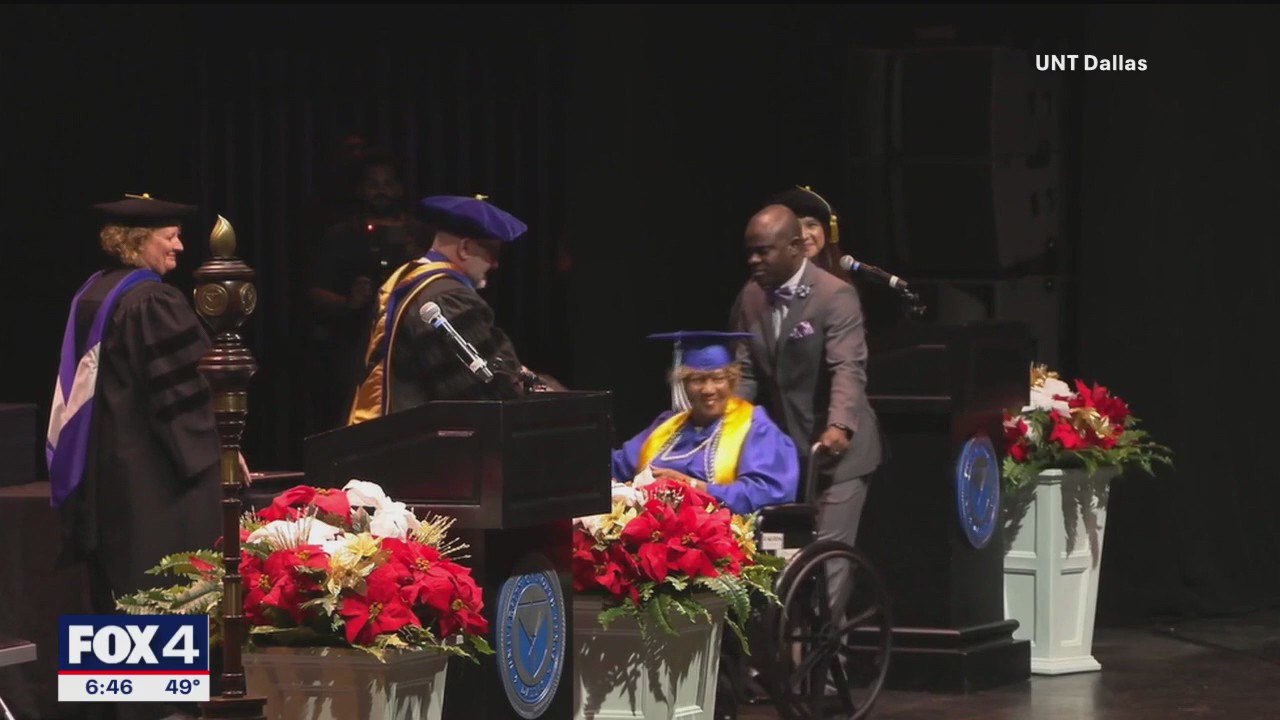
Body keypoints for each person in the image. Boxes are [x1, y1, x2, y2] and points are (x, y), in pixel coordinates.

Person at [47, 193, 246, 720]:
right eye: (170, 236)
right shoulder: (153, 301)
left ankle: (113, 709)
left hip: (109, 472)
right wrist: (221, 444)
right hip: (157, 479)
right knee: (161, 585)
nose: (179, 246)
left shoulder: (95, 291)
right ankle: (163, 712)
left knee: (118, 590)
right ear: (138, 241)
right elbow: (181, 390)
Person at [730, 203, 883, 593]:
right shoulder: (751, 296)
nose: (754, 260)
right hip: (787, 452)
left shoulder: (835, 295)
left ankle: (830, 633)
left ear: (795, 248)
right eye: (750, 252)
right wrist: (727, 426)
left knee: (825, 564)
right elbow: (746, 371)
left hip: (838, 452)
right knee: (782, 560)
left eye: (763, 251)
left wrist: (839, 425)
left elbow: (847, 367)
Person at [347, 194, 560, 424]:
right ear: (465, 248)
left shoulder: (408, 277)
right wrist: (552, 400)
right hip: (415, 439)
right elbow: (485, 390)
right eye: (493, 253)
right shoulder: (447, 297)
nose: (495, 264)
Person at [304, 148, 434, 433]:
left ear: (399, 189)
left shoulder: (420, 234)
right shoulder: (341, 235)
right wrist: (348, 302)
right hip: (353, 346)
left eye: (388, 184)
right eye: (373, 185)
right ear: (361, 189)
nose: (381, 192)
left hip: (411, 344)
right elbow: (314, 292)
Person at [610, 331, 798, 516]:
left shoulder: (756, 427)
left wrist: (692, 486)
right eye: (697, 380)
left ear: (732, 382)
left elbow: (767, 492)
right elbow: (615, 465)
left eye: (718, 378)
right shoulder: (667, 426)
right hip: (651, 527)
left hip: (722, 530)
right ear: (684, 385)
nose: (708, 389)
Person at [768, 185, 852, 283]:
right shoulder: (768, 283)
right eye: (795, 227)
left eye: (811, 225)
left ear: (826, 230)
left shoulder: (845, 279)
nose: (803, 236)